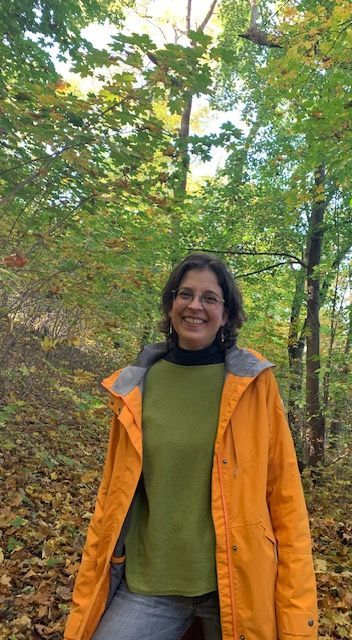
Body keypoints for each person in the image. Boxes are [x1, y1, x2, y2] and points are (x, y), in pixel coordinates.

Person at [64, 253, 318, 640]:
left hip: (236, 586)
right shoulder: (136, 386)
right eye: (185, 294)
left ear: (227, 314)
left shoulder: (253, 385)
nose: (195, 306)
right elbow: (112, 495)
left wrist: (297, 614)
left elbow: (285, 497)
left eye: (209, 298)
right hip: (150, 584)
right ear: (170, 305)